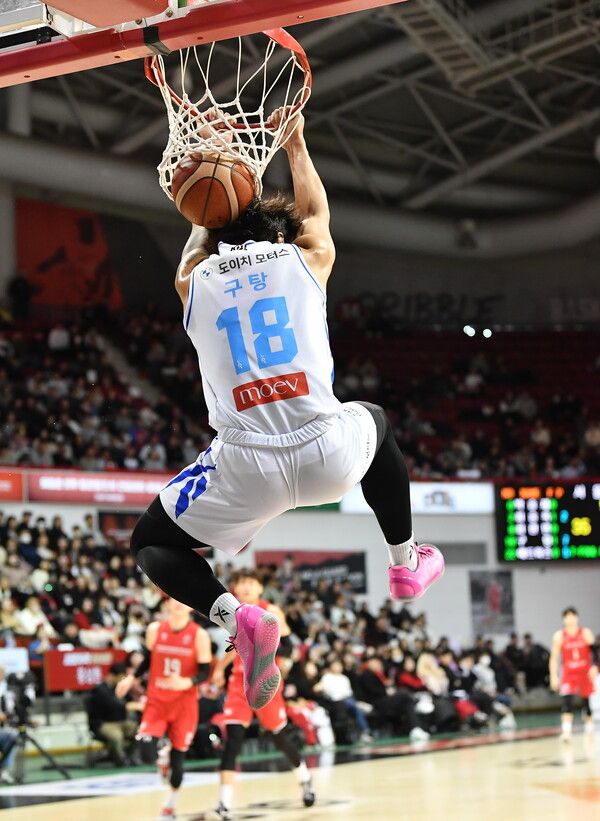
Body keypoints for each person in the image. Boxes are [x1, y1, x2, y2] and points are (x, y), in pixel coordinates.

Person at [129, 106, 444, 717]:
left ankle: (235, 617)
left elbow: (198, 246)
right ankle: (405, 562)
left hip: (246, 465)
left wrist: (206, 201)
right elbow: (317, 214)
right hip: (328, 452)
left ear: (210, 235)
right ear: (280, 237)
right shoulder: (303, 257)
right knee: (375, 419)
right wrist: (294, 143)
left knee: (150, 543)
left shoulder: (193, 282)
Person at [209, 570, 315, 820]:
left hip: (266, 681)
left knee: (278, 736)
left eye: (250, 582)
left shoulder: (271, 611)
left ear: (259, 588)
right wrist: (220, 669)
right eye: (241, 583)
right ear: (235, 589)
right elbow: (235, 647)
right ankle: (224, 803)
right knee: (233, 738)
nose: (245, 587)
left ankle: (304, 779)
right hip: (238, 683)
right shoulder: (234, 611)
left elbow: (288, 647)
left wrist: (273, 653)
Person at [117, 598, 211, 820]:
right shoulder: (155, 629)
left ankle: (169, 804)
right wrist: (131, 679)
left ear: (192, 606)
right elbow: (148, 660)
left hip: (184, 705)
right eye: (173, 599)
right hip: (157, 702)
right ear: (166, 603)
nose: (179, 603)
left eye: (184, 600)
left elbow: (205, 671)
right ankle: (162, 757)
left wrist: (187, 682)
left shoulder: (199, 635)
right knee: (145, 751)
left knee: (178, 765)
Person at [549, 607, 598, 740]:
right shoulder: (559, 636)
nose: (570, 619)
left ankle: (589, 729)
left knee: (586, 702)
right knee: (567, 701)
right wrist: (553, 676)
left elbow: (595, 652)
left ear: (577, 618)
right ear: (564, 619)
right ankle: (566, 731)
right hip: (568, 673)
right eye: (568, 617)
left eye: (573, 616)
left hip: (584, 672)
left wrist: (595, 666)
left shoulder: (585, 633)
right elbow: (554, 658)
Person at [87, 663, 138, 766]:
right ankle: (121, 760)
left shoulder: (120, 688)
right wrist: (127, 705)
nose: (122, 680)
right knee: (116, 735)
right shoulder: (100, 690)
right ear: (112, 675)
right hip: (103, 724)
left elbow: (130, 700)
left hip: (121, 722)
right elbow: (114, 704)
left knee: (139, 731)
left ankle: (130, 756)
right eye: (121, 677)